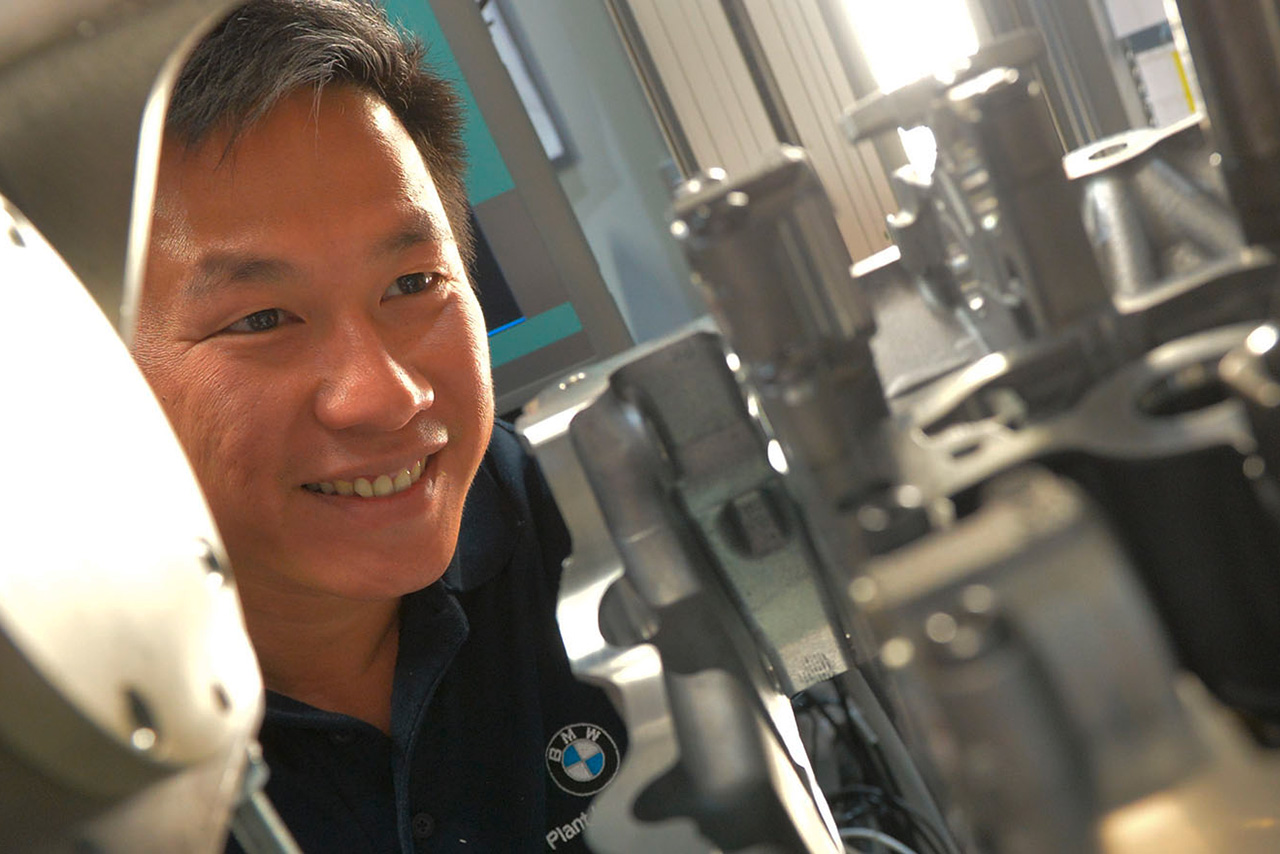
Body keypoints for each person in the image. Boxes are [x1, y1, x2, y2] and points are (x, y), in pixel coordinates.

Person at [130, 1, 626, 850]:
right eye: (263, 319)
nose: (387, 398)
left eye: (411, 284)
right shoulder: (74, 756)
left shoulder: (552, 513)